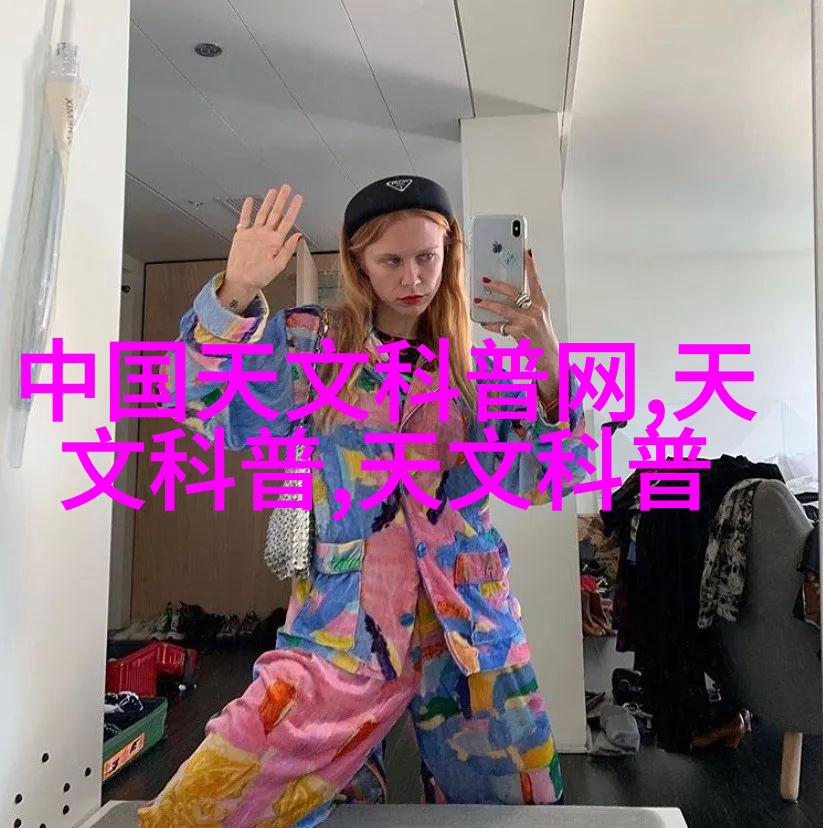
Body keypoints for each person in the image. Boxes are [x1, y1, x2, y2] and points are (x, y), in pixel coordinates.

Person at [137, 175, 587, 827]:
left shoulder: (481, 371)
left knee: (516, 817)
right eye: (391, 260)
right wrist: (233, 293)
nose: (413, 277)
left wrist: (548, 362)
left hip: (476, 637)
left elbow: (551, 476)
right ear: (359, 263)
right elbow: (204, 409)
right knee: (201, 807)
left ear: (450, 255)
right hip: (341, 632)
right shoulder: (312, 347)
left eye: (427, 256)